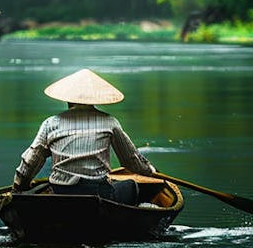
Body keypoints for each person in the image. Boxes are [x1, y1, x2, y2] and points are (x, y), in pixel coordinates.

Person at [12, 68, 156, 206]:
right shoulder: (110, 122)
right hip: (98, 193)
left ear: (67, 100)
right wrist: (150, 171)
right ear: (94, 100)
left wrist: (20, 186)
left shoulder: (51, 124)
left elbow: (30, 161)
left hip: (61, 192)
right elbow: (131, 160)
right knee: (132, 186)